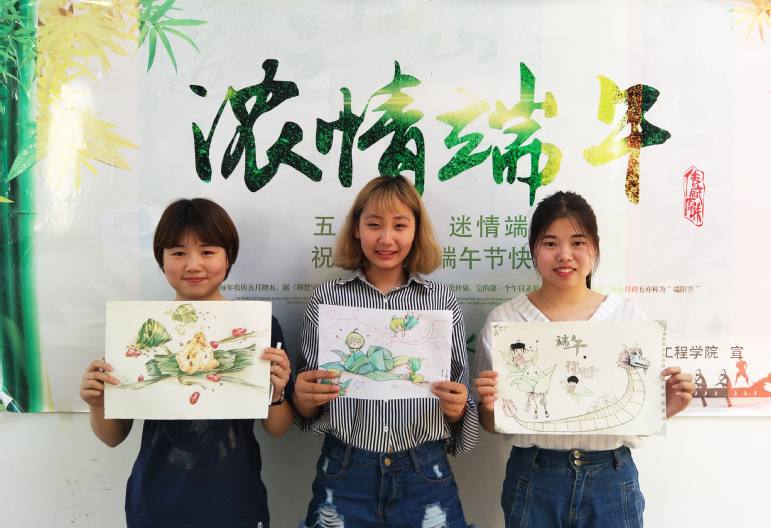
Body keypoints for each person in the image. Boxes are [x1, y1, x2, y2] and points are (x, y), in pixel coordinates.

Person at [474, 191, 696, 528]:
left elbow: (638, 414)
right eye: (550, 243)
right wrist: (490, 407)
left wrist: (666, 405)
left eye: (577, 242)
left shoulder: (628, 319)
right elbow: (491, 424)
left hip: (612, 480)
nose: (564, 255)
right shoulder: (505, 321)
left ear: (595, 247)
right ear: (533, 248)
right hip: (534, 479)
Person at [79, 198, 293, 528]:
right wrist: (97, 403)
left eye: (207, 251)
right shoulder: (140, 329)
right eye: (178, 253)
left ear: (228, 257)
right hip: (156, 506)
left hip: (236, 504)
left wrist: (276, 393)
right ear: (161, 260)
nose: (193, 265)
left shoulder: (260, 328)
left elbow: (277, 429)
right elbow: (113, 437)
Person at [292, 175, 479, 527]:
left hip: (424, 472)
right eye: (374, 224)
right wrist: (303, 398)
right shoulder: (328, 299)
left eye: (400, 225)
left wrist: (457, 409)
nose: (386, 238)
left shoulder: (441, 301)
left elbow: (459, 396)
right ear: (357, 228)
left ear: (416, 230)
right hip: (345, 471)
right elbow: (307, 408)